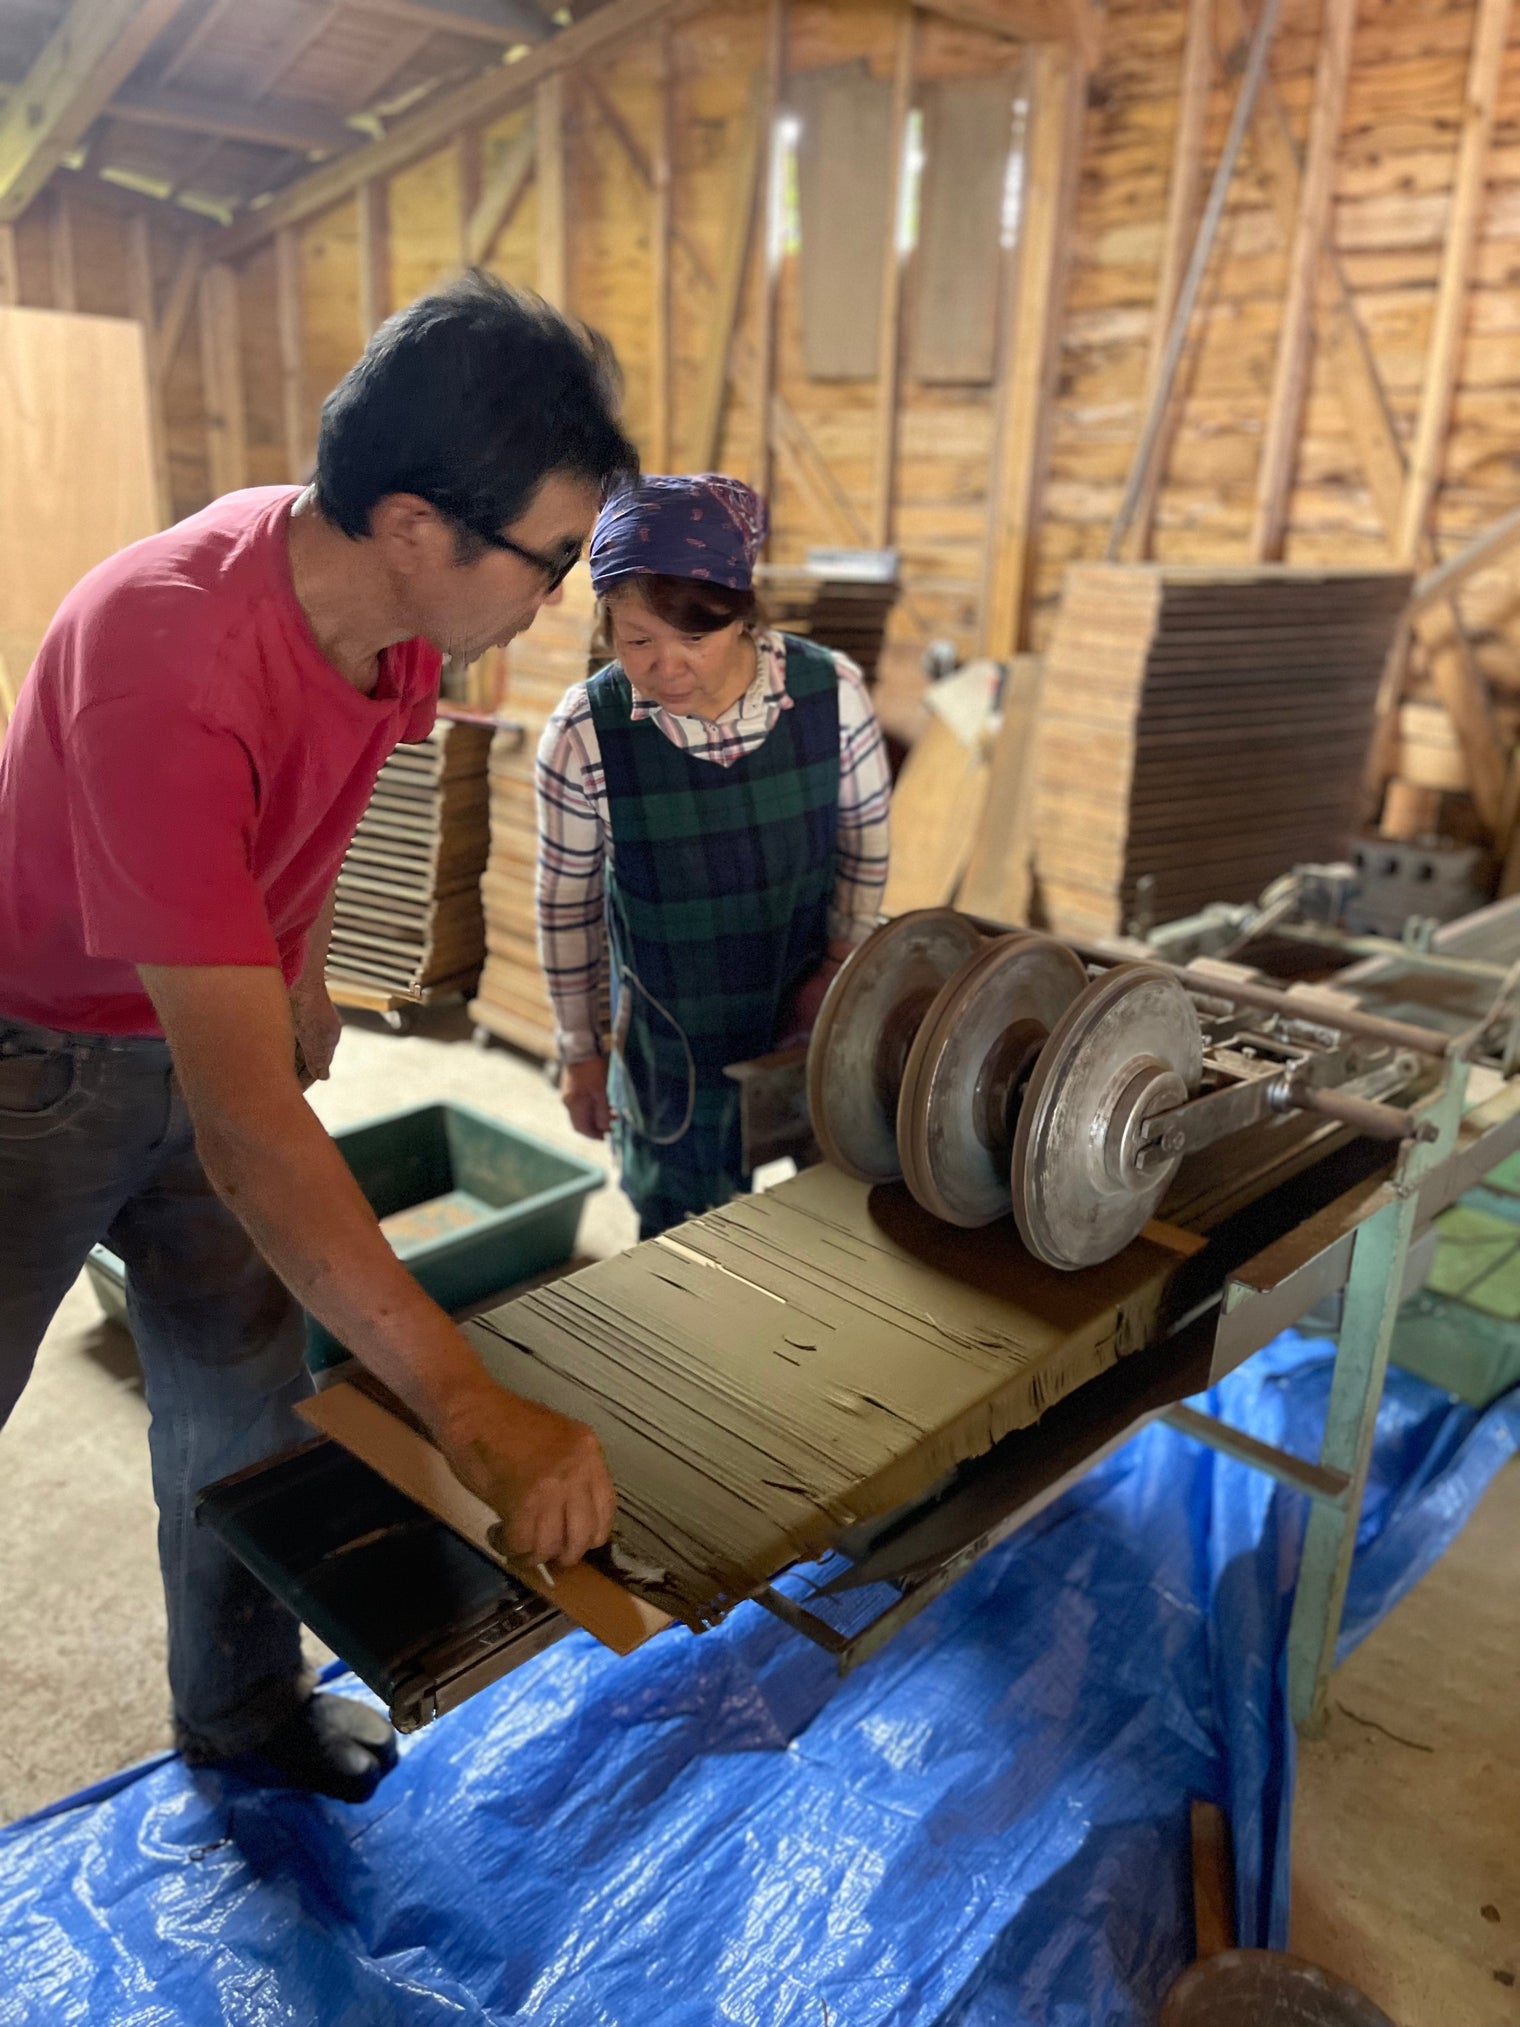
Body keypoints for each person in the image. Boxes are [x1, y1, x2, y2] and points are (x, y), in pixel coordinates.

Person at [0, 274, 637, 1803]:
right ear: (420, 525)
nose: (556, 599)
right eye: (551, 560)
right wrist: (471, 1411)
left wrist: (292, 959)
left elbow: (317, 798)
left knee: (242, 1413)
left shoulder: (395, 626)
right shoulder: (171, 658)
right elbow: (246, 1130)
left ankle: (238, 1715)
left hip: (190, 1015)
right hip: (34, 1060)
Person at [536, 473, 891, 1239]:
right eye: (638, 641)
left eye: (693, 637)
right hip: (673, 1049)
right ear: (608, 629)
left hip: (811, 1019)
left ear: (741, 617)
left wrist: (836, 965)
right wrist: (581, 1052)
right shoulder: (584, 734)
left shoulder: (832, 695)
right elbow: (566, 910)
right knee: (681, 1255)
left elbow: (864, 849)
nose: (667, 668)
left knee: (831, 1229)